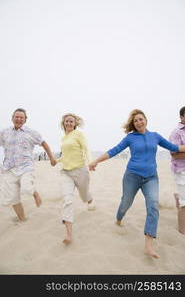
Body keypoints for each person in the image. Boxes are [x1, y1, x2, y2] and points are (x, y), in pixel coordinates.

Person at [89, 109, 185, 259]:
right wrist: (96, 161)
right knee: (125, 203)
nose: (139, 122)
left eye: (141, 119)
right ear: (133, 124)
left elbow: (175, 148)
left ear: (146, 120)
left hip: (151, 178)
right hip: (132, 176)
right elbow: (114, 151)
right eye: (136, 121)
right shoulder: (130, 138)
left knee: (153, 205)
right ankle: (119, 219)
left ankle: (148, 244)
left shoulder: (155, 136)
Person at [0, 108, 56, 222]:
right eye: (17, 117)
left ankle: (34, 193)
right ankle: (22, 219)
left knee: (26, 188)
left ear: (25, 120)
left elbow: (44, 143)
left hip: (25, 167)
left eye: (21, 117)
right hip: (8, 168)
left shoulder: (31, 133)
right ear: (12, 118)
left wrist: (51, 158)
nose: (19, 119)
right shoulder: (4, 132)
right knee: (13, 198)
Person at [56, 113, 95, 245]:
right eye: (66, 121)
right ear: (63, 123)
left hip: (80, 170)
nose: (68, 123)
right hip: (66, 172)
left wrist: (90, 162)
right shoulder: (63, 138)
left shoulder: (78, 135)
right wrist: (57, 161)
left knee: (84, 195)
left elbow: (86, 149)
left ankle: (89, 199)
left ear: (75, 124)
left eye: (71, 121)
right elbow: (66, 155)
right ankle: (69, 234)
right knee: (68, 200)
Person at [169, 106, 185, 234]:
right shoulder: (176, 132)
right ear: (181, 117)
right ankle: (182, 231)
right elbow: (174, 153)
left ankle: (178, 196)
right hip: (181, 169)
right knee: (184, 203)